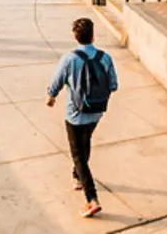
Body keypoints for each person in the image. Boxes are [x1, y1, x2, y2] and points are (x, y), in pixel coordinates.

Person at [46, 18, 118, 219]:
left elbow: (57, 81)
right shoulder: (105, 58)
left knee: (78, 155)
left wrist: (51, 96)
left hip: (75, 114)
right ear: (93, 36)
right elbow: (113, 85)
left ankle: (91, 198)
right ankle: (77, 177)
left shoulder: (69, 59)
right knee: (84, 145)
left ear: (75, 37)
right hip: (96, 113)